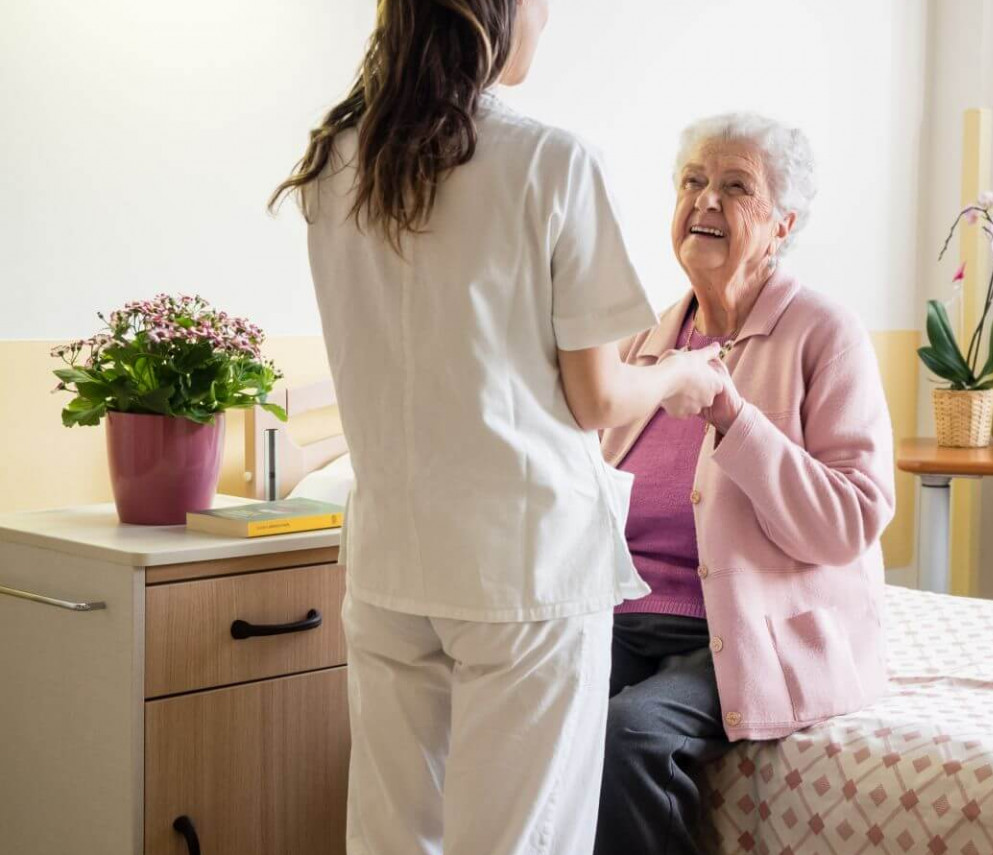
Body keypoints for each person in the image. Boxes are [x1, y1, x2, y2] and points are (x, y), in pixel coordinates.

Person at [269, 2, 722, 852]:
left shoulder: (337, 160)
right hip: (524, 568)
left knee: (394, 837)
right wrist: (685, 373)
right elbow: (594, 398)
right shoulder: (550, 161)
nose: (548, 26)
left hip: (394, 564)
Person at [595, 113, 896, 855]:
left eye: (735, 187)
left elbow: (853, 516)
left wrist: (734, 417)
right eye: (693, 182)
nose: (705, 200)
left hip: (748, 627)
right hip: (624, 619)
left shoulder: (825, 333)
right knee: (523, 705)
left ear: (782, 223)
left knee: (628, 734)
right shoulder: (643, 340)